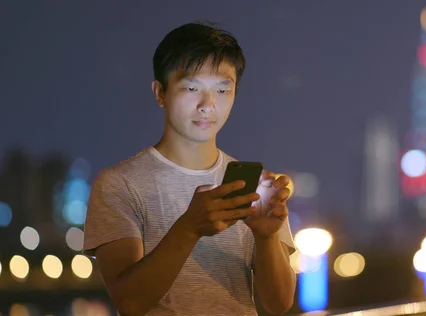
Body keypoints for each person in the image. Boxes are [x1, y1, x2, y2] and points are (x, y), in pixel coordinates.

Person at [83, 21, 297, 316]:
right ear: (160, 92)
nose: (208, 104)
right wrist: (189, 228)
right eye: (192, 87)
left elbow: (279, 303)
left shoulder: (252, 185)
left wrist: (266, 237)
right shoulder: (119, 184)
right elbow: (130, 302)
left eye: (223, 89)